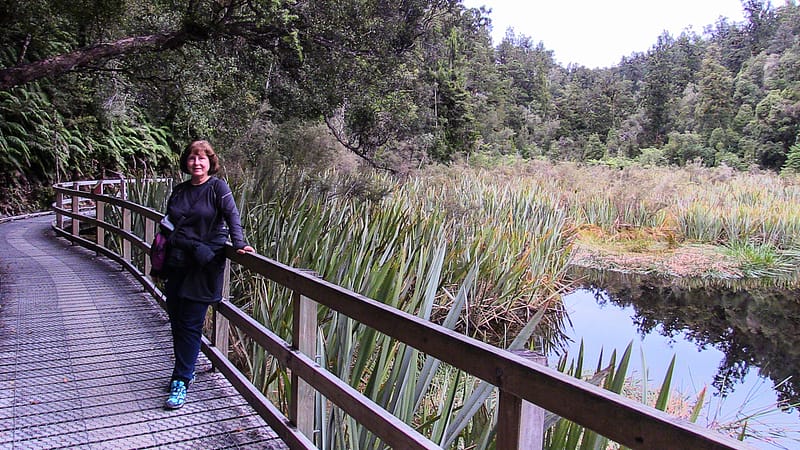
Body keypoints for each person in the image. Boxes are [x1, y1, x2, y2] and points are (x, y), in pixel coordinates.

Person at [160, 140, 254, 409]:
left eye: (202, 158)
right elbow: (168, 225)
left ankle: (181, 379)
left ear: (210, 162)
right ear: (186, 162)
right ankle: (182, 370)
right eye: (192, 158)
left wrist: (239, 244)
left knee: (190, 324)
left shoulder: (218, 188)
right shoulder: (179, 191)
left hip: (203, 266)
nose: (197, 163)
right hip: (177, 263)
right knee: (177, 322)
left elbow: (232, 216)